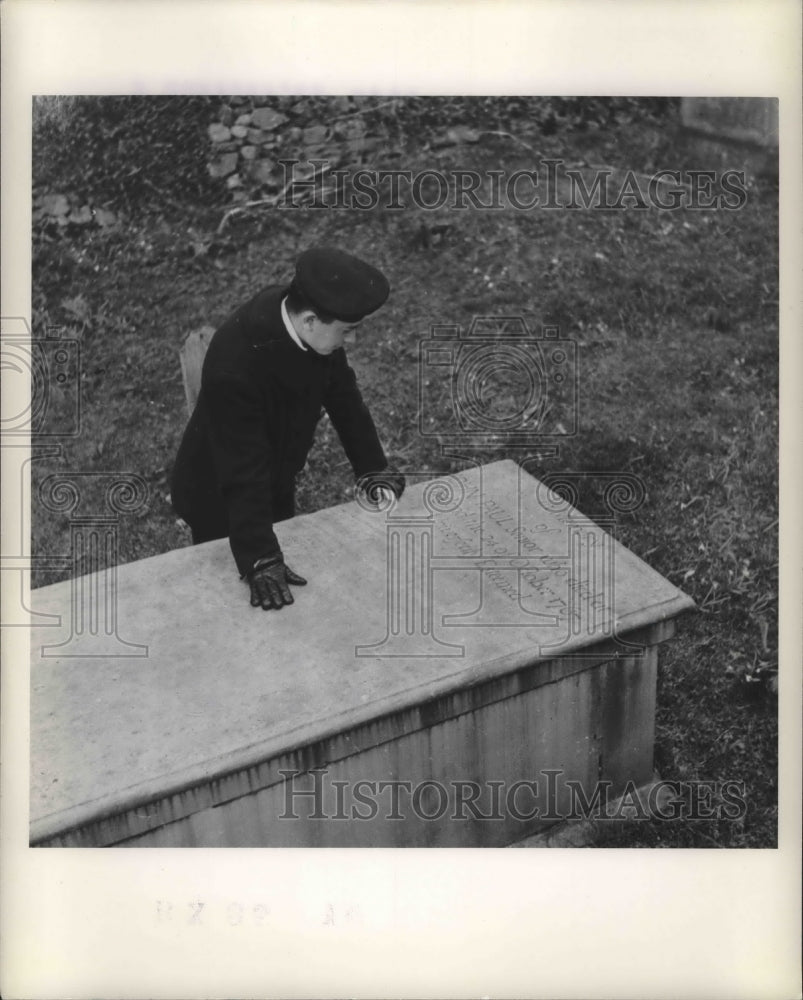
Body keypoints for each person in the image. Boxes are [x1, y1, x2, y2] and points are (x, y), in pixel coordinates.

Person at [170, 247, 405, 611]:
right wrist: (259, 557)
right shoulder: (235, 366)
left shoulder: (311, 323)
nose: (352, 340)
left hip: (274, 472)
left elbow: (344, 398)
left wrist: (372, 468)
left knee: (287, 580)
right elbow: (242, 468)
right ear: (310, 321)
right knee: (229, 598)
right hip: (216, 493)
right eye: (347, 331)